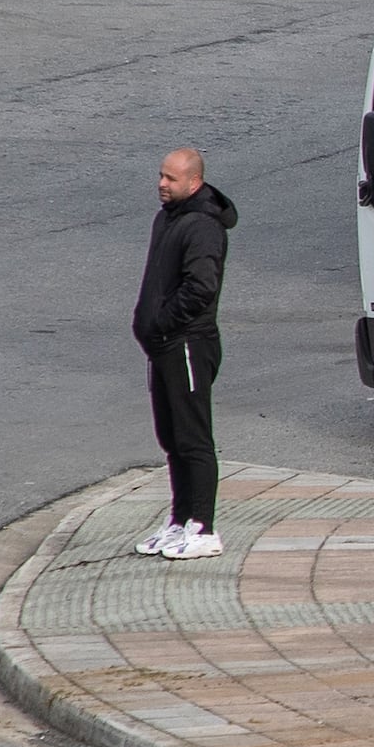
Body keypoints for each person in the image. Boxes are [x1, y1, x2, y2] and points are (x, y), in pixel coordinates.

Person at [132, 146, 237, 559]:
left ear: (194, 182)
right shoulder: (167, 219)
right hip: (163, 347)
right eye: (161, 175)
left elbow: (200, 288)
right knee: (171, 436)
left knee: (194, 438)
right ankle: (178, 521)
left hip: (188, 344)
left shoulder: (203, 227)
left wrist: (162, 322)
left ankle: (204, 528)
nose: (162, 184)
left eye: (171, 179)